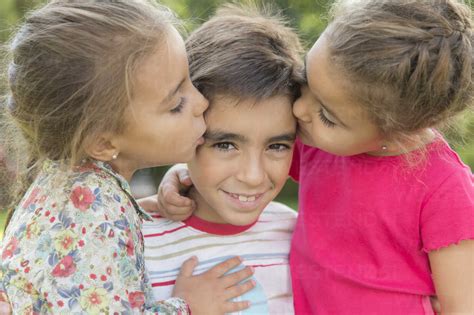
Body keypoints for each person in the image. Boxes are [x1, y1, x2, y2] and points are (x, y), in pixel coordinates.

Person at [153, 0, 474, 314]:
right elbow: (233, 156)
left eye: (328, 115)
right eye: (307, 81)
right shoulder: (321, 143)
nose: (299, 109)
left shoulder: (445, 189)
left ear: (400, 130)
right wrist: (179, 175)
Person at [0, 1, 255, 314]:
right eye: (176, 104)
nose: (201, 102)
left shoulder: (71, 188)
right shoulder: (96, 211)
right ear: (104, 143)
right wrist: (187, 307)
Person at [142, 4, 304, 314]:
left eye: (277, 146)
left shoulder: (298, 235)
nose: (253, 176)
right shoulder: (135, 240)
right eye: (226, 144)